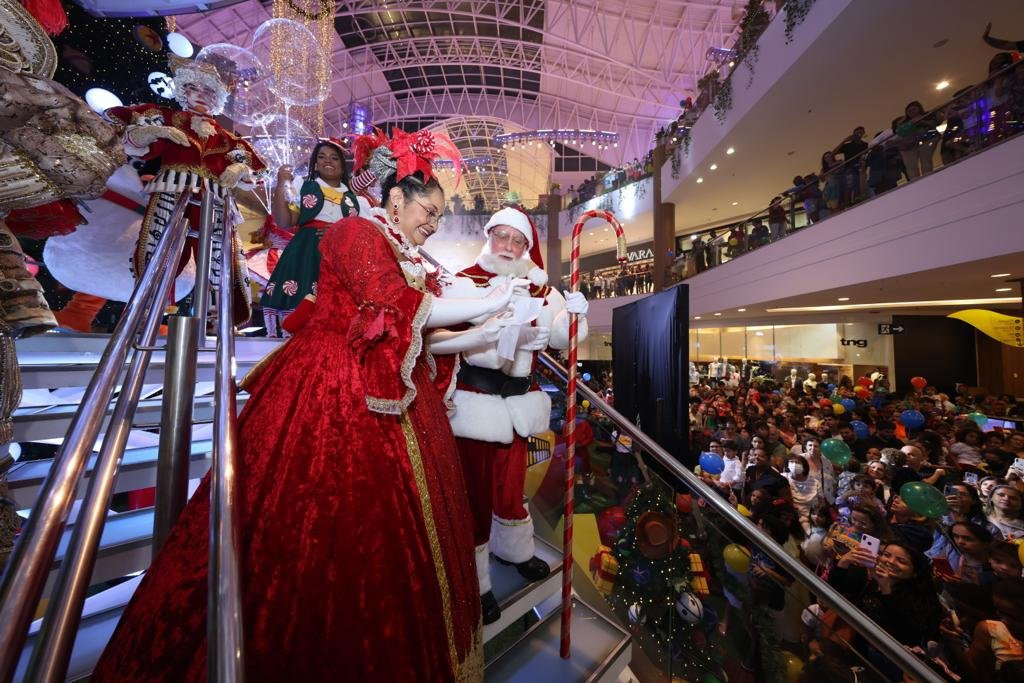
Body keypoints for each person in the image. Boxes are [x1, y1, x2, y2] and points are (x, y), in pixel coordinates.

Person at [93, 127, 519, 680]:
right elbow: (393, 307)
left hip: (380, 381)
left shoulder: (400, 250)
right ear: (395, 198)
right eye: (428, 210)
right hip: (332, 385)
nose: (433, 224)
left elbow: (414, 328)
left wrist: (486, 325)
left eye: (439, 215)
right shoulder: (356, 233)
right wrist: (489, 299)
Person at [436, 206, 589, 624]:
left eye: (516, 240)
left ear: (526, 246)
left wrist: (574, 315)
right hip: (475, 406)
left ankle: (515, 550)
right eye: (500, 236)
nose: (507, 246)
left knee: (510, 489)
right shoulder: (464, 280)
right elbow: (441, 335)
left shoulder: (540, 289)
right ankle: (476, 579)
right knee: (475, 496)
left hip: (519, 406)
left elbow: (560, 337)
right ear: (489, 237)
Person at [104, 55, 267, 324]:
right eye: (196, 88)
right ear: (184, 91)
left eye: (209, 91)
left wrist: (239, 170)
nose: (202, 96)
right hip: (173, 191)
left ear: (219, 98)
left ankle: (219, 318)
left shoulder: (230, 139)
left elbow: (256, 171)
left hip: (216, 201)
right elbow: (128, 132)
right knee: (159, 250)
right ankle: (145, 312)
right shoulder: (166, 117)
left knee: (221, 258)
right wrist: (158, 132)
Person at [261, 138, 362, 336]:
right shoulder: (303, 187)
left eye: (334, 158)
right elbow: (284, 221)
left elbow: (360, 232)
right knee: (301, 311)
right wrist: (281, 183)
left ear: (342, 167)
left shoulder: (353, 198)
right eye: (321, 157)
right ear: (315, 164)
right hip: (306, 254)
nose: (328, 161)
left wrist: (339, 232)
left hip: (340, 258)